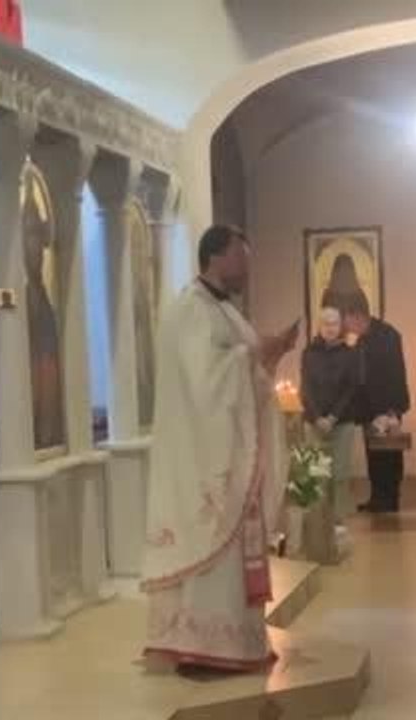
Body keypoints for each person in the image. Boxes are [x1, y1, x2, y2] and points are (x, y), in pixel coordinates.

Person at [141, 225, 298, 672]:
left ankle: (233, 642)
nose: (247, 268)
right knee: (209, 545)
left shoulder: (224, 311)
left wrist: (269, 353)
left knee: (231, 554)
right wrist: (256, 354)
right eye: (240, 258)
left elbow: (240, 367)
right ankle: (201, 645)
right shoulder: (191, 309)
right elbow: (204, 382)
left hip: (229, 451)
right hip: (204, 460)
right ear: (215, 257)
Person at [344, 299, 410, 514]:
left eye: (349, 322)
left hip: (387, 404)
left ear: (359, 317)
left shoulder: (387, 335)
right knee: (373, 452)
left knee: (389, 452)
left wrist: (394, 408)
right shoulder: (360, 338)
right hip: (367, 405)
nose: (347, 327)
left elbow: (396, 372)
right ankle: (377, 497)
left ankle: (391, 498)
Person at [301, 307, 360, 522]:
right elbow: (306, 388)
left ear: (340, 326)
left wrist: (333, 417)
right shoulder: (309, 353)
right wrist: (317, 417)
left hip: (342, 421)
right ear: (319, 326)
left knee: (339, 474)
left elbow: (351, 388)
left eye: (334, 323)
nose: (330, 328)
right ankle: (318, 520)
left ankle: (338, 519)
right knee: (317, 472)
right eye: (326, 323)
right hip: (314, 421)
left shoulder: (350, 353)